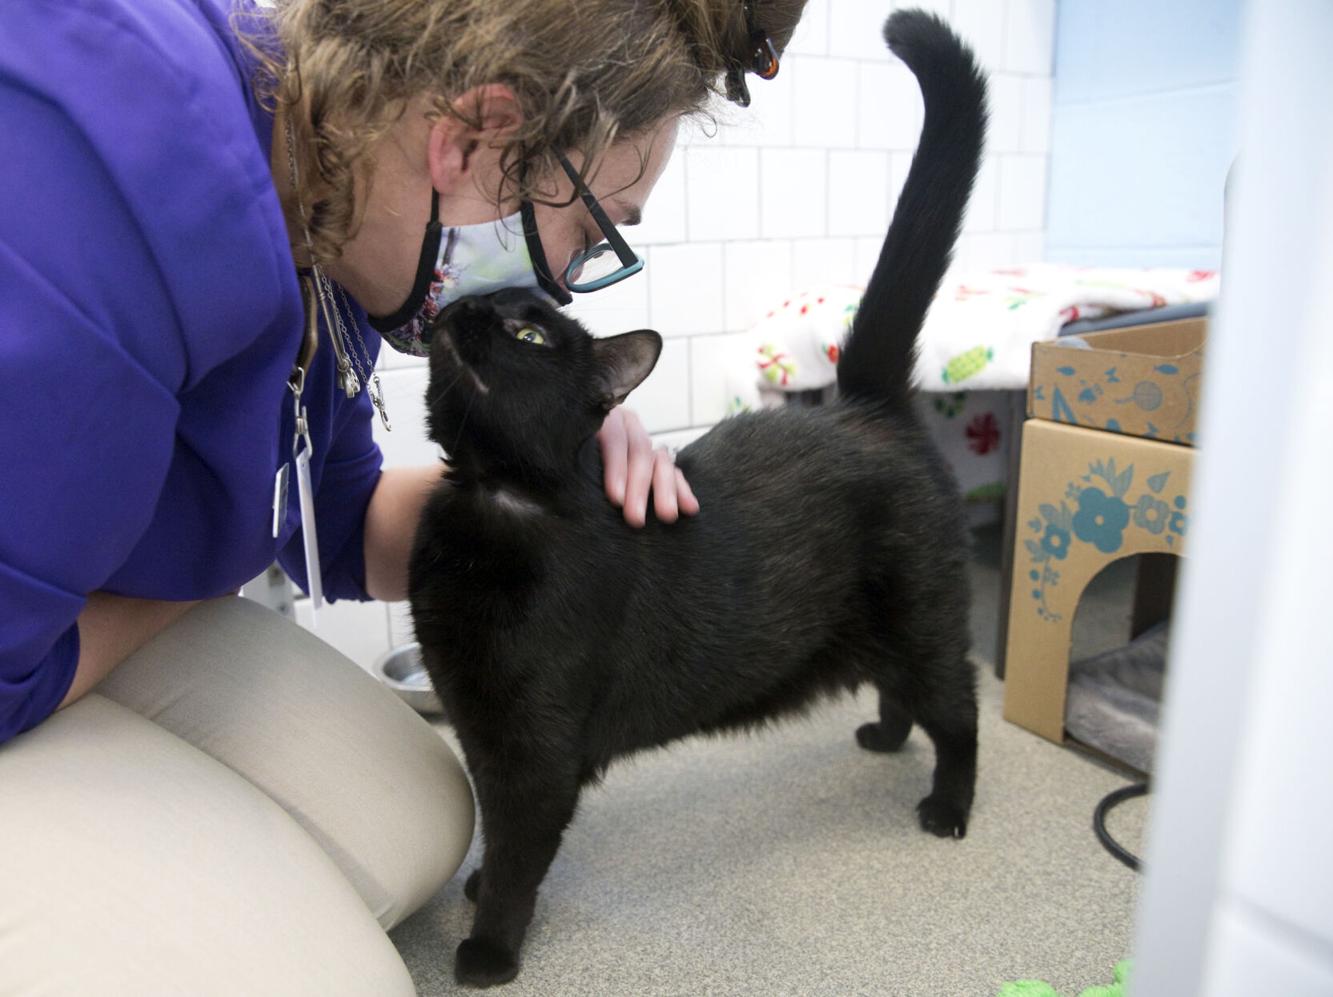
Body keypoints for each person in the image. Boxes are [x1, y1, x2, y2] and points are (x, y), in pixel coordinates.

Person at [0, 0, 807, 990]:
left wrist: (539, 482)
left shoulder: (326, 233)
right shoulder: (101, 178)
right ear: (473, 138)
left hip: (88, 612)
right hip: (20, 658)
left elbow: (337, 527)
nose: (564, 282)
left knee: (419, 821)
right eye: (592, 235)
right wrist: (209, 575)